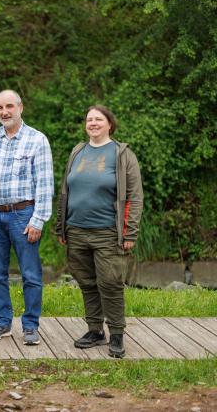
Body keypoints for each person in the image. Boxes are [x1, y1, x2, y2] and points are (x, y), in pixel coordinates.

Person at [56, 105, 143, 358]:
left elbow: (135, 198)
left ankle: (116, 333)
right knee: (87, 283)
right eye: (89, 119)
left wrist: (130, 233)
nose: (93, 123)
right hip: (76, 231)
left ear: (109, 124)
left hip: (108, 232)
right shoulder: (77, 152)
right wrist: (61, 226)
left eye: (98, 119)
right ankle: (95, 330)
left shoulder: (122, 154)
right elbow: (65, 191)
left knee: (111, 283)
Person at [0, 89, 54, 345]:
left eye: (9, 106)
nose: (4, 112)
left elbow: (44, 184)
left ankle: (30, 326)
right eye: (0, 108)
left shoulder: (37, 140)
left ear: (21, 108)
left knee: (30, 274)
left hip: (24, 215)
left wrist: (38, 219)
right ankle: (2, 322)